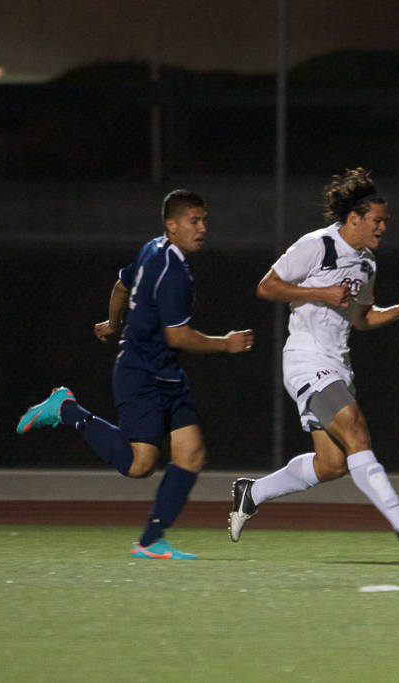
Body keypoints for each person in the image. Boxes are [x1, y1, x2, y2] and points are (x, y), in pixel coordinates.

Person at [16, 190, 254, 560]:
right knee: (140, 465)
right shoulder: (174, 271)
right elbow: (177, 335)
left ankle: (149, 542)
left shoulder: (152, 249)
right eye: (194, 221)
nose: (203, 227)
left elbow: (121, 286)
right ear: (171, 225)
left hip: (167, 374)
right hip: (141, 373)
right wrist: (226, 344)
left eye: (205, 220)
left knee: (190, 455)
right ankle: (66, 409)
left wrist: (113, 323)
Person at [229, 168, 399, 546]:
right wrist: (322, 294)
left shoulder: (366, 264)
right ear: (355, 217)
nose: (382, 228)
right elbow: (267, 287)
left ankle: (253, 493)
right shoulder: (316, 245)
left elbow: (361, 318)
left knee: (332, 465)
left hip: (337, 365)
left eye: (385, 222)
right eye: (377, 221)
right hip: (306, 359)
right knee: (357, 430)